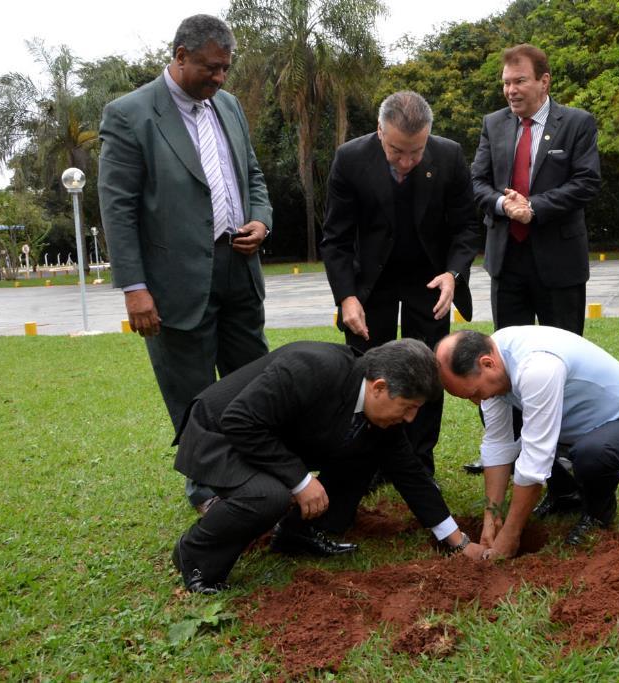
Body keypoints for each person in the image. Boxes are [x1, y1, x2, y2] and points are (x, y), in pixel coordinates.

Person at [98, 15, 273, 513]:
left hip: (239, 269)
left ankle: (257, 472)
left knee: (253, 378)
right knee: (192, 389)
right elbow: (118, 207)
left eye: (226, 69)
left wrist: (260, 219)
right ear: (179, 55)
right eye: (211, 68)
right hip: (174, 281)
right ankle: (205, 486)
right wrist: (134, 287)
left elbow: (252, 175)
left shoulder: (230, 106)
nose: (220, 78)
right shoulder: (130, 114)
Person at [170, 338, 485, 594]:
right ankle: (194, 554)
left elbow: (410, 473)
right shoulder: (313, 367)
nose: (410, 419)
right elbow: (239, 420)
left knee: (367, 450)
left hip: (271, 436)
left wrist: (456, 540)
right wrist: (300, 481)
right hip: (218, 434)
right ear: (378, 387)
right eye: (409, 407)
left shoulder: (377, 412)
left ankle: (297, 533)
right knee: (270, 495)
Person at [321, 91, 480, 476]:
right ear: (379, 131)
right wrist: (346, 297)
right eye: (397, 151)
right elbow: (336, 238)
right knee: (366, 371)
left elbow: (467, 226)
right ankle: (367, 464)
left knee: (428, 369)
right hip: (370, 283)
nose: (407, 162)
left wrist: (453, 275)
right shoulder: (350, 158)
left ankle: (419, 464)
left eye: (416, 151)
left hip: (430, 280)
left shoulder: (449, 155)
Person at [463, 44, 600, 475]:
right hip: (508, 262)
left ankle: (563, 457)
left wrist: (535, 206)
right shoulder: (494, 125)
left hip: (558, 264)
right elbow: (478, 182)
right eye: (505, 82)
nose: (511, 90)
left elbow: (586, 182)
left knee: (561, 362)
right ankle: (510, 450)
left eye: (519, 80)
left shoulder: (576, 123)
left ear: (544, 81)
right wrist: (505, 208)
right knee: (506, 365)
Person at [436, 328, 619, 560]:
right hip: (572, 428)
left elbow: (535, 459)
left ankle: (598, 514)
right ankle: (565, 495)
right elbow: (498, 444)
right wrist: (491, 517)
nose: (477, 400)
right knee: (508, 422)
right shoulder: (493, 356)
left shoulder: (538, 367)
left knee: (590, 454)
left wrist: (510, 534)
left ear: (487, 364)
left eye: (475, 392)